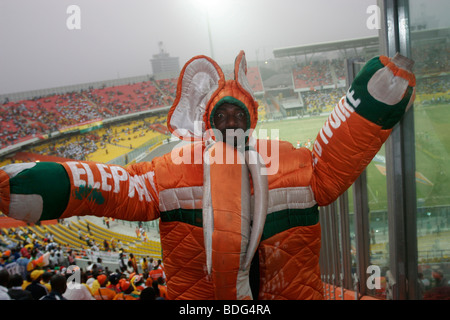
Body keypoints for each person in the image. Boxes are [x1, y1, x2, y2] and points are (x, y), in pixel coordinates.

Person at [0, 51, 416, 300]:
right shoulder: (173, 168)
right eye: (223, 114)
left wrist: (368, 109)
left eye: (239, 113)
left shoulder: (286, 159)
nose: (231, 120)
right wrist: (63, 185)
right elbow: (125, 187)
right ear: (209, 120)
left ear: (251, 118)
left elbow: (328, 169)